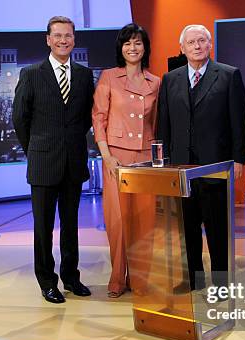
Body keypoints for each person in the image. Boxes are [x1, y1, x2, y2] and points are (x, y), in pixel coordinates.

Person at [158, 24, 245, 290]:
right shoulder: (170, 79)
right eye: (191, 42)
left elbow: (239, 123)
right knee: (187, 229)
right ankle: (192, 280)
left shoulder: (229, 75)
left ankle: (221, 284)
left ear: (210, 45)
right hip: (180, 168)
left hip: (215, 166)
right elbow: (163, 124)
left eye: (202, 41)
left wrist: (239, 159)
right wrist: (163, 162)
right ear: (182, 48)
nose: (197, 46)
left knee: (217, 229)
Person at [12, 16, 95, 304]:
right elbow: (20, 120)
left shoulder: (84, 75)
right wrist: (36, 149)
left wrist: (69, 143)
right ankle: (47, 282)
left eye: (68, 36)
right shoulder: (31, 73)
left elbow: (85, 118)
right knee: (43, 228)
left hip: (73, 161)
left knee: (71, 225)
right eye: (57, 35)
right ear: (48, 39)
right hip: (43, 162)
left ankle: (71, 277)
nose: (63, 40)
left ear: (74, 39)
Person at [92, 23, 160, 298]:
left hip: (145, 158)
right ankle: (117, 278)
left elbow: (157, 123)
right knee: (118, 220)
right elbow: (98, 118)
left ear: (145, 48)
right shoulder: (109, 77)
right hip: (115, 157)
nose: (133, 48)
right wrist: (106, 156)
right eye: (128, 43)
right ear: (121, 48)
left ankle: (141, 279)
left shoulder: (156, 81)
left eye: (138, 43)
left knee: (144, 221)